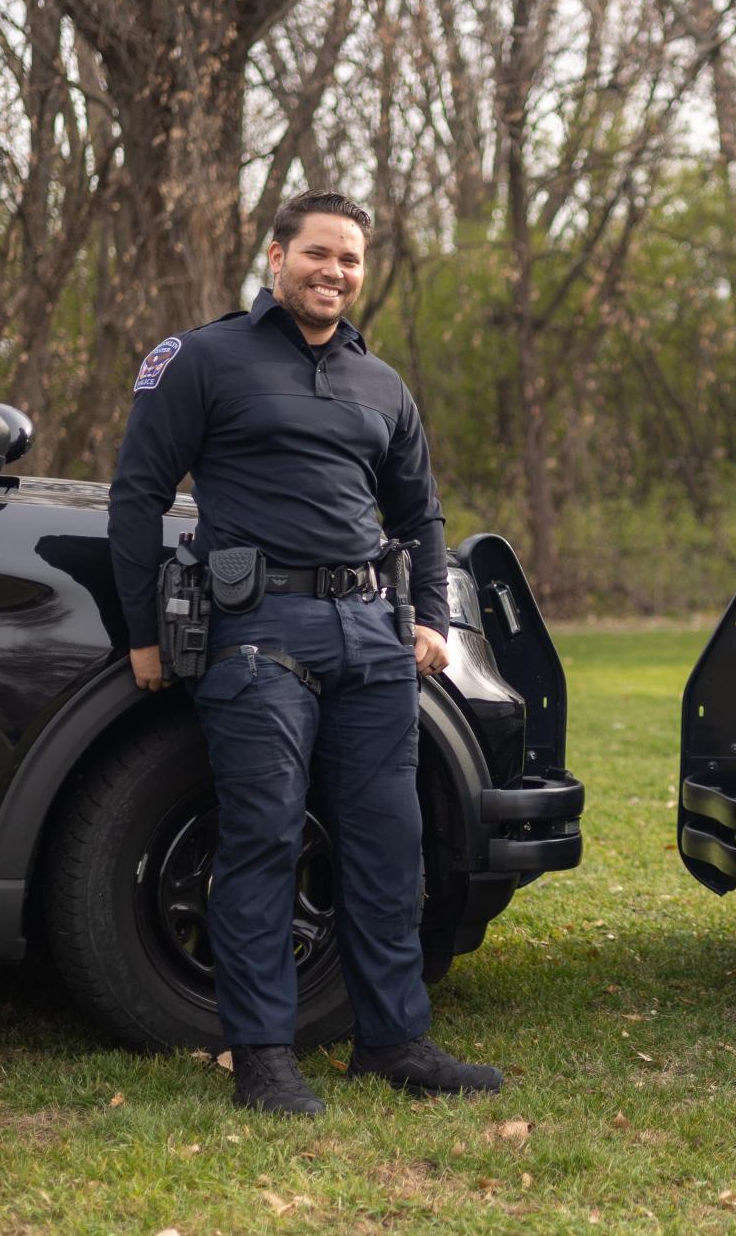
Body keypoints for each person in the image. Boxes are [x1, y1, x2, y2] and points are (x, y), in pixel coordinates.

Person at [108, 189, 501, 1115]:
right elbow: (137, 496)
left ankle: (394, 1040)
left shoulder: (383, 384)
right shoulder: (204, 358)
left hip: (374, 638)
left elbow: (420, 514)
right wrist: (140, 633)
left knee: (388, 845)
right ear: (274, 257)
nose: (334, 273)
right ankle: (263, 1057)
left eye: (351, 261)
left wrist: (433, 617)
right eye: (318, 254)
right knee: (264, 840)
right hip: (258, 638)